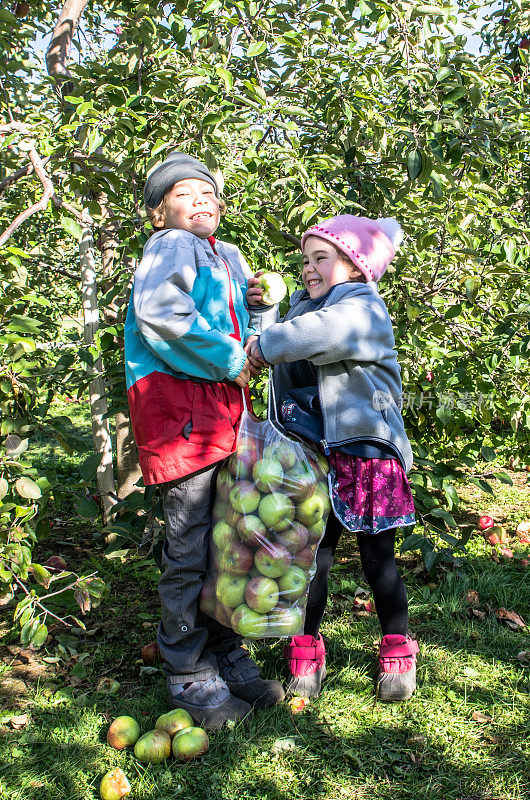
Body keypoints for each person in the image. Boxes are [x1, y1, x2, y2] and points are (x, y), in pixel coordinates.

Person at [124, 151, 284, 729]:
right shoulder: (170, 247)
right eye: (184, 194)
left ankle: (221, 650)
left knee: (224, 535)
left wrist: (261, 301)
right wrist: (229, 356)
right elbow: (163, 314)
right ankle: (185, 664)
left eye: (209, 193)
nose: (201, 200)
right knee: (191, 541)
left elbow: (243, 330)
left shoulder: (226, 254)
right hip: (181, 412)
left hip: (219, 413)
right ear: (158, 213)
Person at [248, 215, 418, 702]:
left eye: (321, 258)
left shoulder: (362, 309)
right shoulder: (309, 306)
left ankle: (396, 645)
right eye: (304, 259)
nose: (308, 268)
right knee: (314, 556)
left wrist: (265, 343)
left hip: (366, 453)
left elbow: (309, 336)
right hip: (317, 454)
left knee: (377, 558)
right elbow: (287, 336)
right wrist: (267, 313)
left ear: (354, 265)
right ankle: (306, 645)